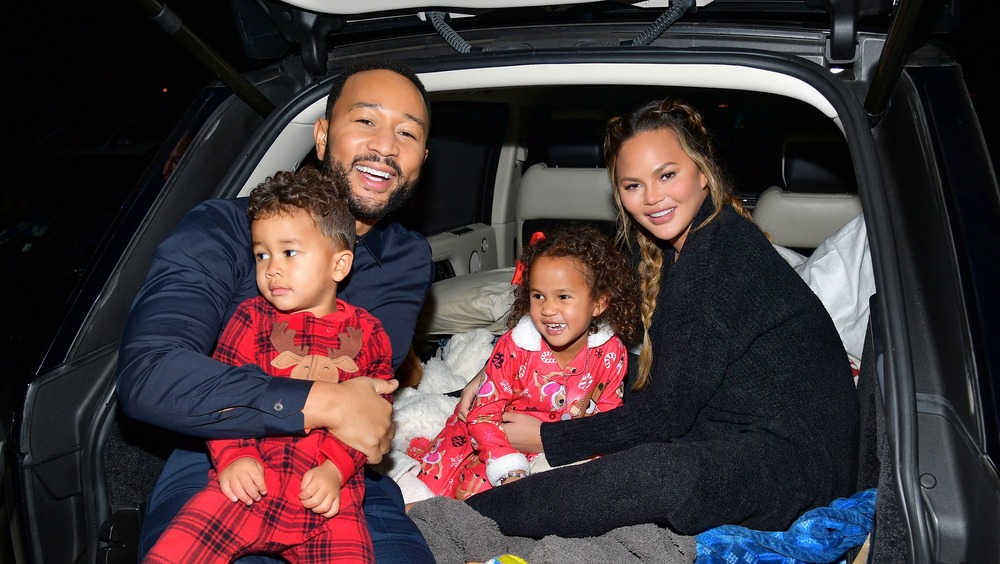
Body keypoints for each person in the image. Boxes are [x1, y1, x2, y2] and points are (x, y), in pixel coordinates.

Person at [456, 98, 860, 538]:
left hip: (800, 468)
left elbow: (667, 412)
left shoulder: (722, 258)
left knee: (658, 473)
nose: (651, 198)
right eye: (632, 185)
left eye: (667, 175)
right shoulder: (678, 246)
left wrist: (548, 439)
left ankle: (459, 520)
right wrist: (495, 370)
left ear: (703, 172)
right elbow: (655, 366)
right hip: (742, 427)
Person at [118, 58, 435, 562]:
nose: (386, 147)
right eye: (366, 121)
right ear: (323, 135)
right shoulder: (223, 230)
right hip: (222, 457)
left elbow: (373, 388)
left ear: (422, 157)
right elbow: (151, 374)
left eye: (408, 134)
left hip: (344, 476)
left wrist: (350, 427)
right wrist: (326, 403)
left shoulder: (406, 257)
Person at [146, 167, 391, 562]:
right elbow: (222, 395)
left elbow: (374, 417)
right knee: (171, 553)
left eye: (289, 252)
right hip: (248, 488)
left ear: (339, 265)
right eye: (262, 254)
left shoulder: (369, 333)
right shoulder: (250, 319)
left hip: (329, 501)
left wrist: (337, 469)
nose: (271, 267)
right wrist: (234, 456)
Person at [407, 225, 639, 500]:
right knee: (456, 493)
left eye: (563, 297)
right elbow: (482, 415)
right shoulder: (514, 348)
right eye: (538, 295)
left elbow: (608, 416)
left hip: (559, 443)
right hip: (493, 437)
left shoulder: (611, 353)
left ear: (598, 303)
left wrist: (594, 459)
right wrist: (507, 467)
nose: (548, 309)